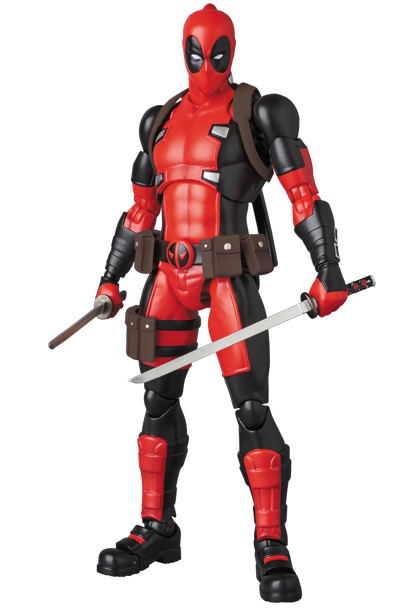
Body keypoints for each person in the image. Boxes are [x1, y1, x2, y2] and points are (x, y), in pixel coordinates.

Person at [95, 4, 347, 603]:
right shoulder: (157, 122)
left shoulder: (258, 113)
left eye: (216, 49)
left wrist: (328, 269)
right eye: (196, 49)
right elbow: (140, 211)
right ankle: (157, 528)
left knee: (252, 410)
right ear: (183, 49)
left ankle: (271, 542)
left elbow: (303, 194)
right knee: (157, 404)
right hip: (167, 278)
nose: (205, 60)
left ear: (231, 49)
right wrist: (108, 280)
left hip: (229, 276)